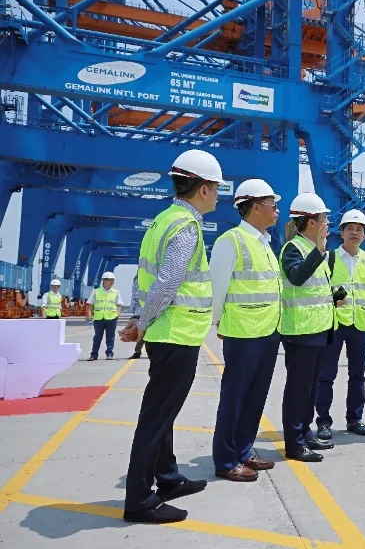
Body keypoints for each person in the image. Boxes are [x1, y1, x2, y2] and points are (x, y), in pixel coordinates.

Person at [119, 149, 224, 524]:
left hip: (167, 332)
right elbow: (168, 281)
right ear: (204, 189)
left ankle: (167, 478)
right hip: (176, 332)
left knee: (163, 412)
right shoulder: (186, 226)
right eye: (216, 188)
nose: (218, 195)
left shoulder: (161, 221)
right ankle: (138, 500)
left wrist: (138, 316)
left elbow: (142, 276)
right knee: (156, 416)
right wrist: (142, 323)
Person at [210, 179, 283, 481]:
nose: (277, 210)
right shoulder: (231, 241)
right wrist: (219, 321)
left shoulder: (265, 243)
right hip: (242, 333)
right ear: (255, 207)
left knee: (255, 397)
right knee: (235, 397)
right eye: (272, 205)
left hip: (268, 331)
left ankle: (243, 449)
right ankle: (226, 459)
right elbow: (217, 287)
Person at [278, 192, 340, 462]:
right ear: (311, 222)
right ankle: (294, 443)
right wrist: (319, 251)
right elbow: (297, 277)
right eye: (324, 218)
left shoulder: (316, 250)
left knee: (310, 388)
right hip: (300, 331)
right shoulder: (293, 248)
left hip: (318, 331)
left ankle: (305, 433)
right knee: (298, 390)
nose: (327, 223)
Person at [315, 209, 365, 441]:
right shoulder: (330, 258)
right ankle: (323, 422)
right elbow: (320, 286)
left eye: (359, 229)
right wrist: (332, 298)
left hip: (360, 324)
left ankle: (355, 419)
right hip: (334, 324)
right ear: (342, 232)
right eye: (350, 229)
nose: (354, 233)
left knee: (358, 375)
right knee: (326, 374)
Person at [86, 271, 123, 361]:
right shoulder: (96, 292)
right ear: (104, 281)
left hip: (112, 318)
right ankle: (94, 355)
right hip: (99, 318)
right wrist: (89, 314)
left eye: (112, 280)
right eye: (109, 280)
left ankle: (109, 354)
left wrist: (117, 314)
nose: (111, 282)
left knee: (110, 337)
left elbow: (119, 305)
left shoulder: (116, 292)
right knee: (97, 337)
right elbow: (90, 304)